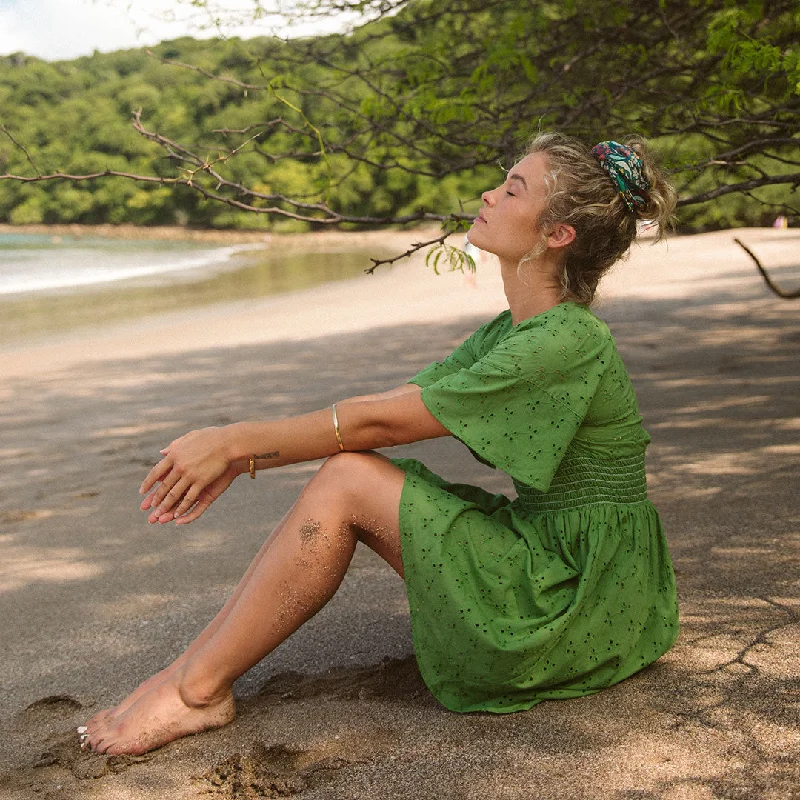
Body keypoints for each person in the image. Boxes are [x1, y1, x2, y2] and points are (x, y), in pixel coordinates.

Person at [80, 133, 680, 756]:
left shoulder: (563, 340)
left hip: (576, 598)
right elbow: (395, 403)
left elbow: (380, 427)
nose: (489, 194)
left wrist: (234, 442)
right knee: (348, 469)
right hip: (574, 569)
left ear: (558, 235)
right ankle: (189, 673)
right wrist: (246, 454)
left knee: (347, 479)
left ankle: (197, 691)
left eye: (512, 189)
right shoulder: (518, 330)